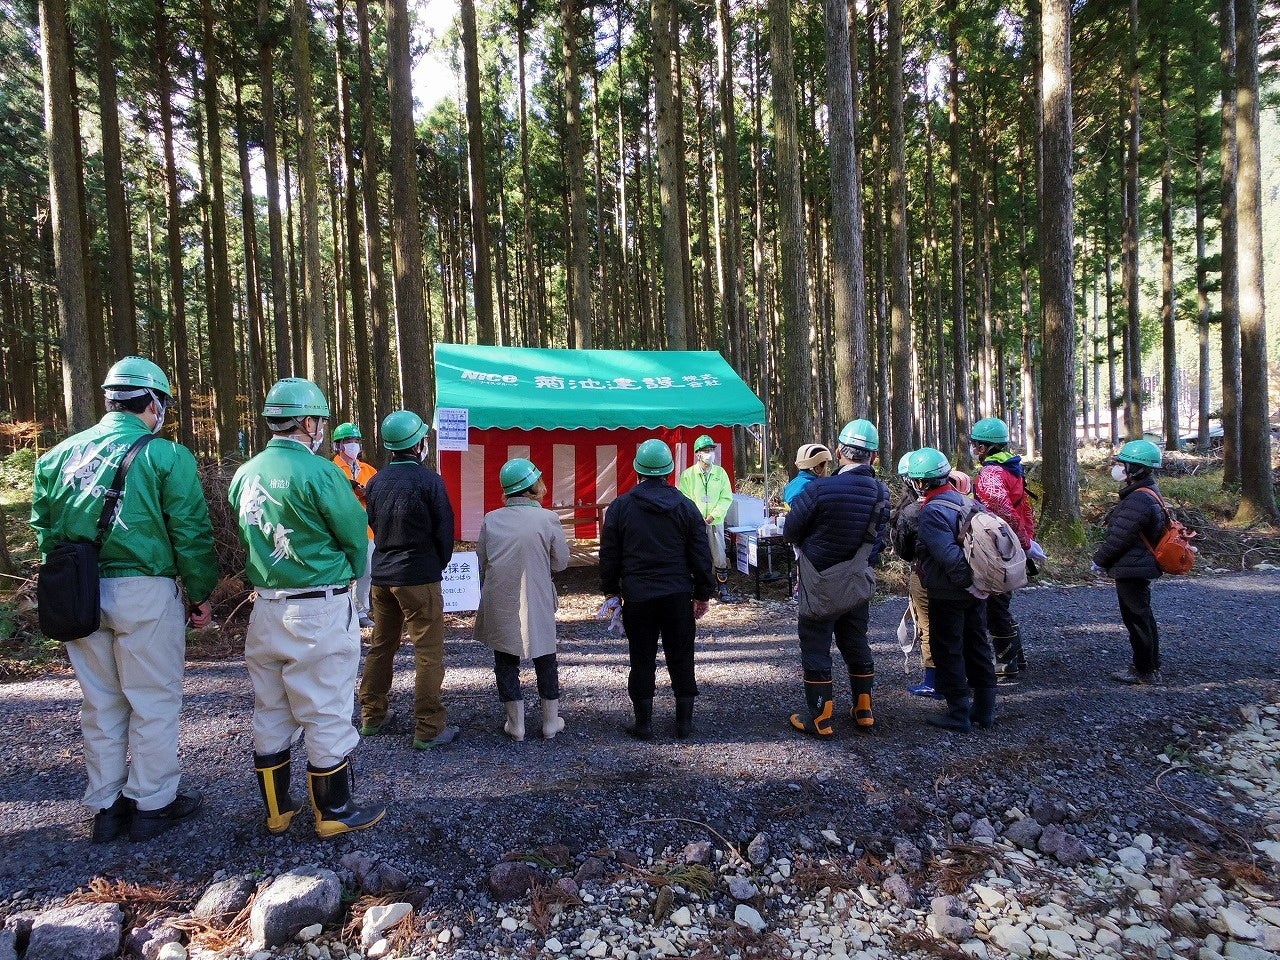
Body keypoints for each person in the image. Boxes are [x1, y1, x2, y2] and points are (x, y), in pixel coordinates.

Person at [31, 356, 217, 843]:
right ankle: (153, 803)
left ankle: (107, 807)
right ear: (153, 402)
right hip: (144, 589)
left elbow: (45, 533)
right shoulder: (165, 456)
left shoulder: (56, 456)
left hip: (81, 590)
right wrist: (200, 592)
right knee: (152, 700)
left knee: (101, 703)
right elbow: (191, 530)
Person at [230, 378, 384, 838]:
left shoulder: (245, 472)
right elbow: (355, 533)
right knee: (326, 706)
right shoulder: (321, 472)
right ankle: (333, 811)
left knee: (271, 707)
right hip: (317, 606)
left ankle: (277, 811)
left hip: (266, 606)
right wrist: (354, 574)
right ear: (309, 421)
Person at [600, 438, 715, 740]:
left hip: (638, 597)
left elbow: (609, 555)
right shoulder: (686, 508)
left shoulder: (621, 507)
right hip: (678, 595)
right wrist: (703, 594)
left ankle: (644, 724)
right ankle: (685, 723)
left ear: (637, 470)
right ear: (670, 471)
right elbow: (701, 556)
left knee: (641, 658)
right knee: (682, 656)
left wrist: (611, 591)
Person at [783, 419, 889, 736]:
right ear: (873, 456)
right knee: (856, 642)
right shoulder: (881, 493)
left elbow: (790, 531)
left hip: (819, 583)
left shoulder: (819, 489)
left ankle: (819, 717)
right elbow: (878, 542)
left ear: (841, 451)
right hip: (856, 581)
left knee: (816, 645)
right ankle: (864, 709)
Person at [358, 410, 457, 750]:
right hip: (418, 577)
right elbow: (446, 532)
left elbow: (373, 522)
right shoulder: (431, 481)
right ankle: (428, 728)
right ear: (419, 444)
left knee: (381, 646)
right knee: (428, 652)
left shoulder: (376, 482)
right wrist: (435, 565)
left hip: (382, 576)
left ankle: (371, 716)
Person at [475, 458, 571, 741]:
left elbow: (481, 561)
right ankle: (550, 722)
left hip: (499, 597)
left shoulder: (491, 519)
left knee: (505, 660)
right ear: (533, 487)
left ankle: (515, 724)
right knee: (545, 658)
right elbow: (561, 562)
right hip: (537, 594)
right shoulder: (548, 518)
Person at [910, 447, 997, 733]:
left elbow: (948, 556)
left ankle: (958, 712)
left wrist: (966, 583)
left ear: (921, 482)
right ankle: (984, 710)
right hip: (977, 590)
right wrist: (978, 586)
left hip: (949, 592)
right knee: (977, 645)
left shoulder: (933, 511)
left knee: (947, 648)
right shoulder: (968, 503)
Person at [893, 458, 973, 699]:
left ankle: (934, 681)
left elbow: (905, 550)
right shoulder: (963, 502)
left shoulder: (915, 511)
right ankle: (969, 682)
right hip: (966, 574)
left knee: (928, 627)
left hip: (929, 574)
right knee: (967, 629)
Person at [1093, 440, 1168, 685]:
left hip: (1133, 567)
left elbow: (1119, 538)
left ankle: (1144, 670)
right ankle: (1150, 665)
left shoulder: (1138, 500)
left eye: (1123, 464)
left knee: (1137, 619)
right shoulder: (1147, 493)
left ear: (1135, 469)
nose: (1119, 468)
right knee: (1143, 616)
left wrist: (1099, 561)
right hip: (1138, 565)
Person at [969, 417, 1035, 682]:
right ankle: (1016, 655)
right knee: (1002, 601)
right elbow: (1024, 509)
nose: (973, 448)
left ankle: (1007, 661)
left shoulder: (992, 474)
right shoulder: (1012, 469)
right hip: (1012, 544)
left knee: (995, 604)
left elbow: (1003, 511)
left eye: (975, 443)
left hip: (997, 546)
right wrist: (1027, 540)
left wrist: (1021, 540)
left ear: (985, 447)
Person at [676, 434, 734, 602]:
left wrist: (713, 515)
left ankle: (722, 586)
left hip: (715, 522)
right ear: (698, 454)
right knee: (695, 554)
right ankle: (699, 587)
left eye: (711, 450)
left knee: (719, 555)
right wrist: (697, 517)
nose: (710, 454)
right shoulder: (688, 475)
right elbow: (684, 498)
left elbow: (726, 497)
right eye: (706, 451)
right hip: (694, 523)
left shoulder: (720, 473)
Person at [332, 422, 377, 628]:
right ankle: (341, 610)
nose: (353, 445)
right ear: (338, 445)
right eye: (349, 441)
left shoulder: (369, 470)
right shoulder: (331, 469)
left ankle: (361, 610)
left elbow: (378, 496)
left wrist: (366, 494)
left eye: (356, 441)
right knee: (343, 571)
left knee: (366, 571)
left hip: (366, 529)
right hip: (339, 529)